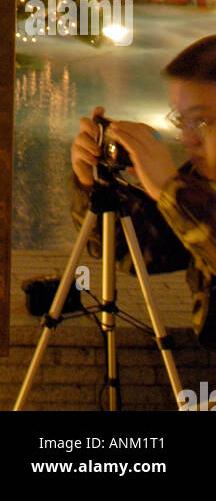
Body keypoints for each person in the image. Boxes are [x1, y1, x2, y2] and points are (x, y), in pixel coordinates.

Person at [70, 33, 216, 348]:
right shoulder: (199, 180)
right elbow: (141, 252)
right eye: (181, 120)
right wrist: (89, 183)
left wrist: (170, 190)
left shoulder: (188, 189)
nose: (187, 139)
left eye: (201, 122)